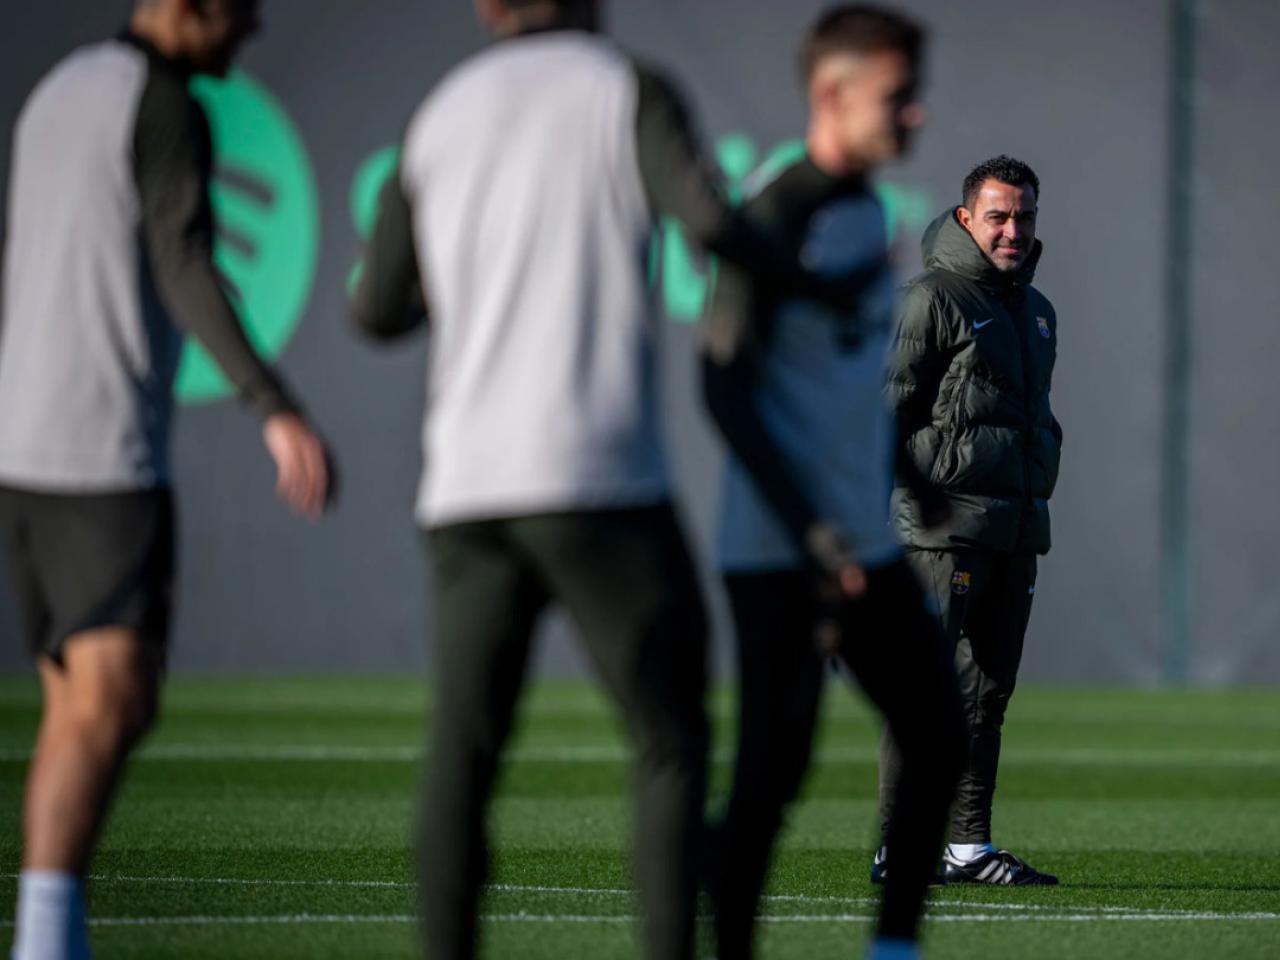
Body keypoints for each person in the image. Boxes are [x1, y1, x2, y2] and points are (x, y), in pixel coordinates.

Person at [350, 1, 867, 957]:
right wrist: (813, 283)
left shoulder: (442, 109)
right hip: (597, 482)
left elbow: (377, 309)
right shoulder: (624, 87)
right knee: (669, 741)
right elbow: (709, 222)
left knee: (463, 755)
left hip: (465, 489)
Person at [0, 1, 333, 957]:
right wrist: (271, 403)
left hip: (25, 454)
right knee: (111, 704)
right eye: (238, 9)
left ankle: (50, 932)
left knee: (80, 707)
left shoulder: (58, 90)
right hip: (96, 453)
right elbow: (184, 259)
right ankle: (45, 940)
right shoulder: (160, 103)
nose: (252, 28)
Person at [698, 8, 966, 959]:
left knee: (936, 728)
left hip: (868, 540)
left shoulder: (869, 212)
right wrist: (809, 531)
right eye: (898, 95)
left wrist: (907, 477)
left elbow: (848, 383)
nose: (915, 114)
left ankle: (893, 948)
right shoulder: (776, 214)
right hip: (781, 550)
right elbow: (720, 385)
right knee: (775, 771)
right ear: (831, 95)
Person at [879, 154, 1063, 886]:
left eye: (1023, 216)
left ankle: (966, 847)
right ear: (965, 218)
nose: (1013, 230)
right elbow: (882, 415)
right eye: (998, 216)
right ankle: (899, 846)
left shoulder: (1037, 310)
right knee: (923, 693)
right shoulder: (931, 298)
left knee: (987, 694)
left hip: (1013, 533)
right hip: (939, 534)